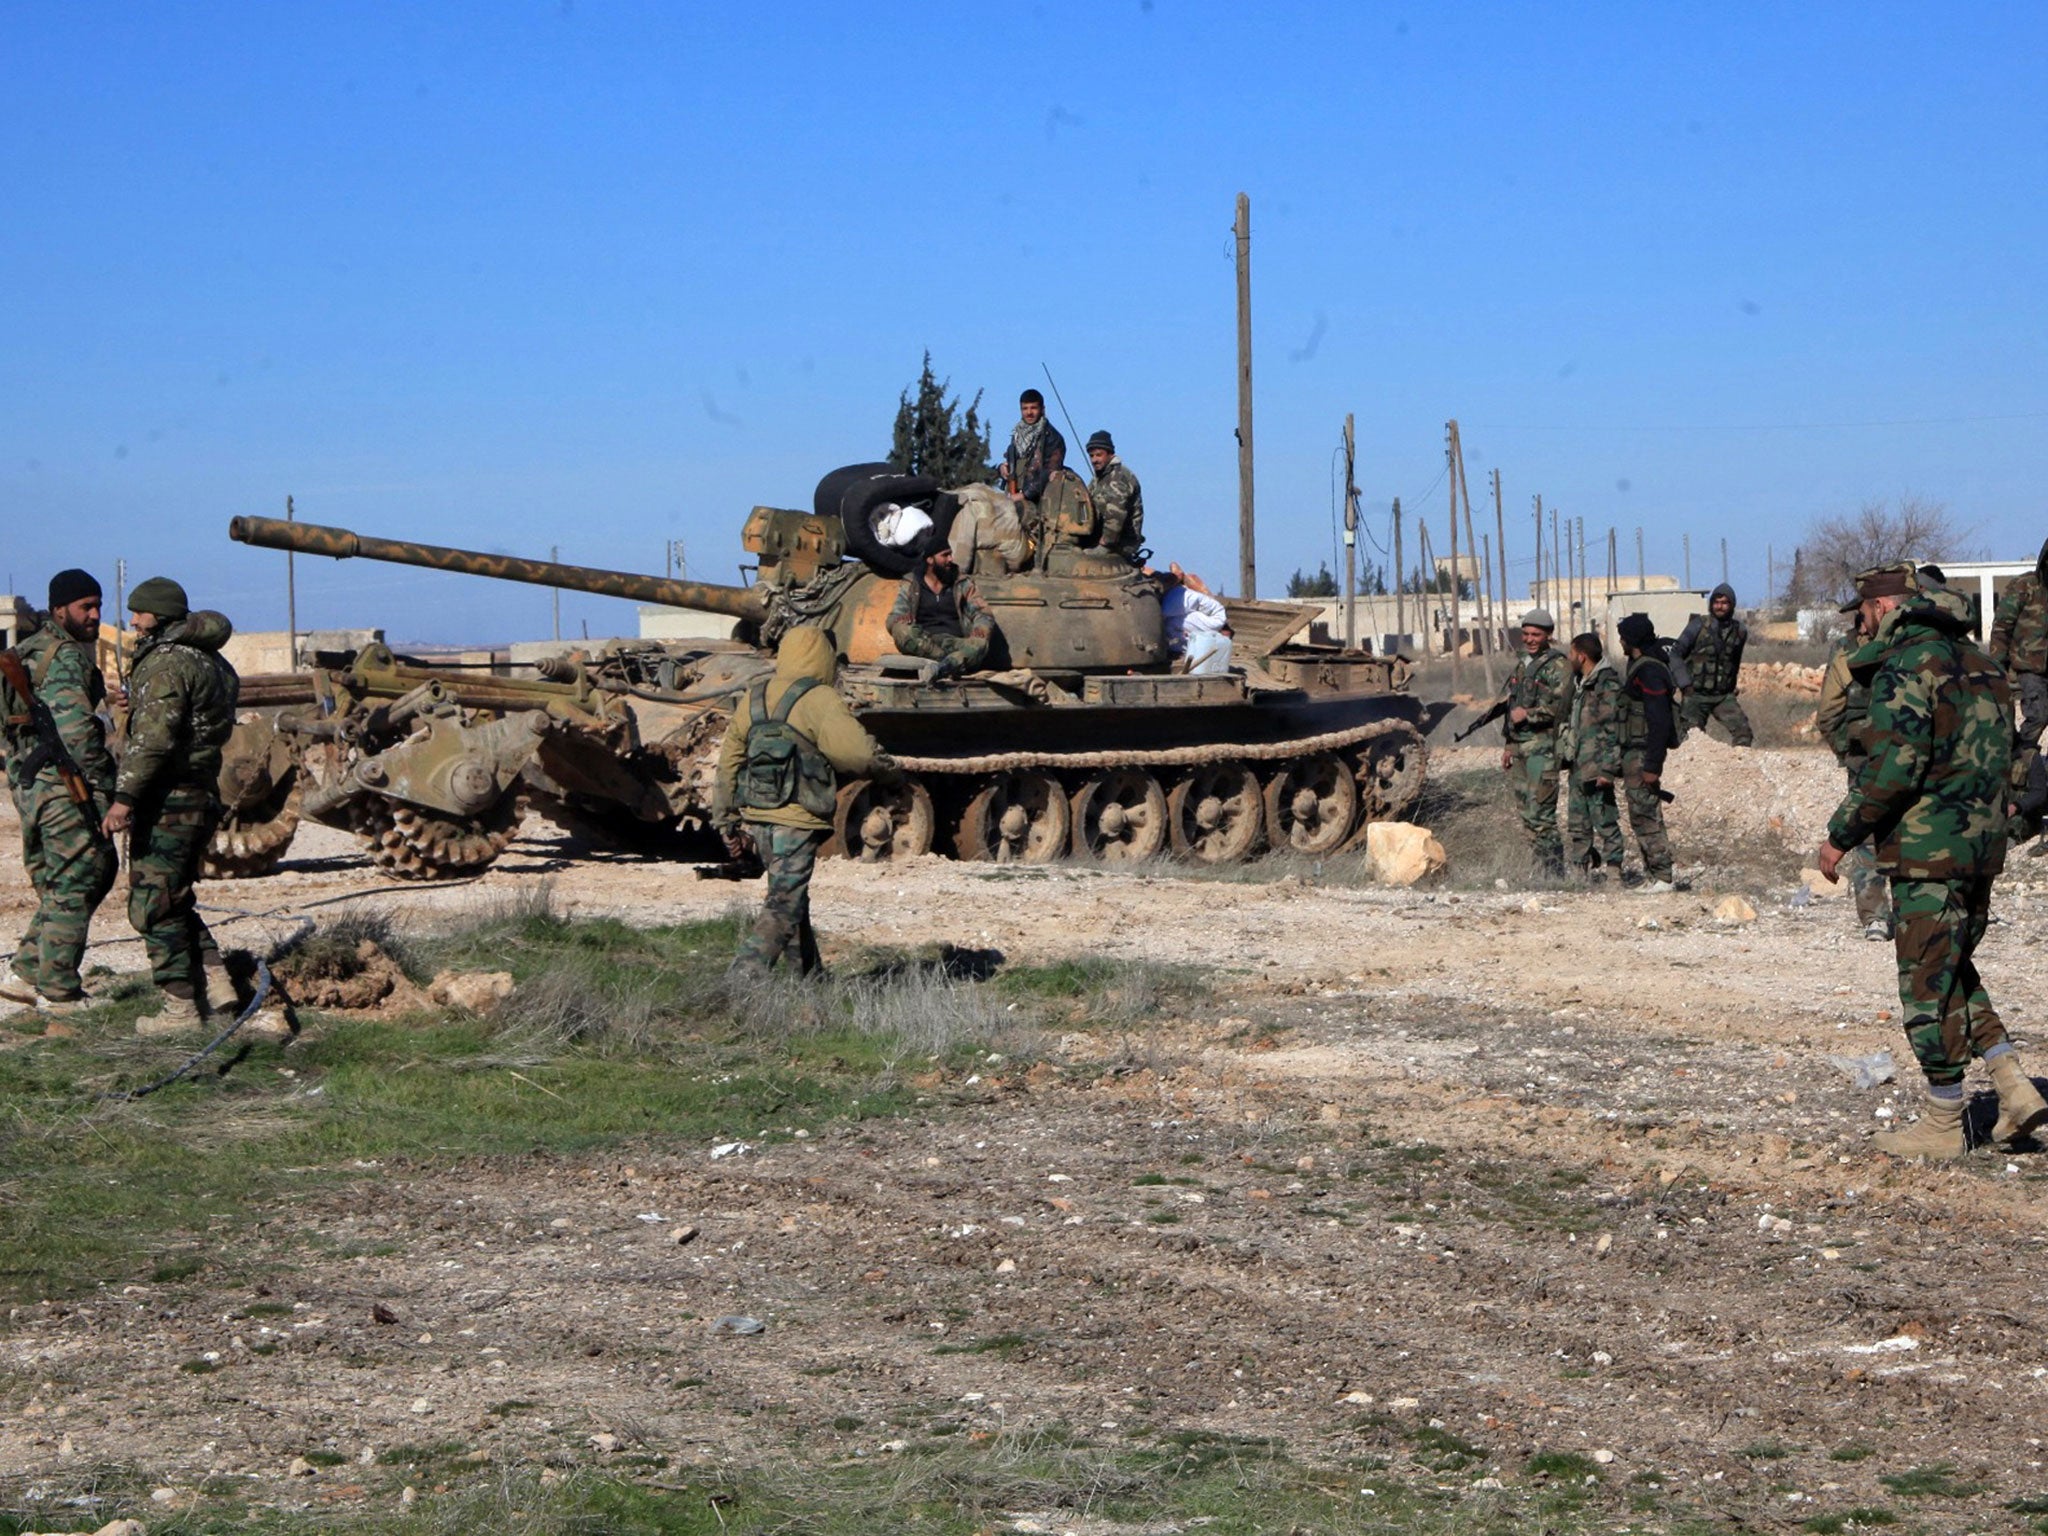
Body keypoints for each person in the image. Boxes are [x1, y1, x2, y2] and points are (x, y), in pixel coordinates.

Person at [1819, 562, 2046, 1158]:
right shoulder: (1985, 665)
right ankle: (2013, 1087)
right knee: (1950, 968)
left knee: (1924, 985)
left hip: (1925, 853)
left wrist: (1841, 834)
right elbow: (2010, 759)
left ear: (1887, 607)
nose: (1862, 622)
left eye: (1865, 611)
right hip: (1979, 848)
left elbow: (1895, 768)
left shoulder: (1906, 666)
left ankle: (1944, 1121)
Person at [712, 627, 902, 978]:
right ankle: (741, 981)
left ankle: (810, 978)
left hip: (759, 818)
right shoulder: (819, 699)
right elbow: (856, 754)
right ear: (824, 659)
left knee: (792, 897)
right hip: (797, 820)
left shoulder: (754, 696)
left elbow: (728, 765)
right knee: (784, 904)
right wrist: (889, 771)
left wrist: (726, 822)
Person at [102, 577, 240, 1037]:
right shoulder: (208, 659)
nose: (132, 620)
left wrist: (124, 799)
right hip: (199, 791)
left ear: (157, 616)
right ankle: (218, 983)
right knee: (174, 895)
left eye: (138, 613)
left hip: (170, 798)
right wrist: (133, 705)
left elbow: (155, 740)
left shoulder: (166, 663)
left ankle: (179, 1011)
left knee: (152, 905)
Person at [0, 569, 119, 1012]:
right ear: (58, 610)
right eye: (85, 607)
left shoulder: (31, 651)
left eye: (98, 605)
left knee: (63, 880)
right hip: (62, 783)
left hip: (31, 784)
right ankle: (60, 990)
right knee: (83, 875)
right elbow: (76, 733)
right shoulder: (65, 656)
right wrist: (107, 788)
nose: (94, 614)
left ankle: (29, 970)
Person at [1815, 593, 1891, 940]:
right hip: (1871, 755)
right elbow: (1830, 713)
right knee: (1866, 834)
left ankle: (1880, 917)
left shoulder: (1898, 644)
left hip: (1880, 753)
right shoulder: (1849, 651)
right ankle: (1876, 914)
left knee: (1870, 830)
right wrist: (1848, 752)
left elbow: (1829, 713)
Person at [1500, 608, 1573, 877]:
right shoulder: (1523, 664)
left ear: (1548, 636)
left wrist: (1528, 715)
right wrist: (1509, 745)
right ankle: (1539, 868)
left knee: (1542, 815)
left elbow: (1560, 707)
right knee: (1527, 814)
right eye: (1526, 634)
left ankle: (1555, 873)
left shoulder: (1559, 666)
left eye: (1536, 634)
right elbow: (1512, 705)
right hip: (1520, 747)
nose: (1530, 639)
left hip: (1543, 749)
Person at [1615, 613, 1680, 891]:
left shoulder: (1650, 671)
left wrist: (1653, 764)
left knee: (1646, 814)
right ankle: (1654, 875)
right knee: (1639, 814)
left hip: (1644, 754)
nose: (1620, 642)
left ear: (1631, 640)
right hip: (1635, 751)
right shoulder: (1639, 665)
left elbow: (1659, 719)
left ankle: (1663, 877)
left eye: (1623, 637)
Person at [1562, 631, 1624, 881]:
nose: (1569, 657)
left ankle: (1614, 873)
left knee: (1606, 821)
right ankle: (1579, 872)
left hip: (1597, 766)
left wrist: (1608, 769)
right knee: (1578, 823)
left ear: (1582, 655)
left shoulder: (1606, 684)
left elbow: (1614, 730)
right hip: (1578, 765)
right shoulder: (1580, 682)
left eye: (1571, 653)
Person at [885, 543, 995, 679]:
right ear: (930, 560)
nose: (950, 559)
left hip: (956, 644)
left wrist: (981, 628)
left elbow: (983, 612)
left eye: (950, 554)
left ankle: (941, 668)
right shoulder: (912, 584)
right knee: (901, 630)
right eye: (945, 555)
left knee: (980, 644)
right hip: (924, 643)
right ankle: (947, 662)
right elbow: (894, 616)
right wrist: (900, 619)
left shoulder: (962, 583)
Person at [1669, 583, 1753, 746]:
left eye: (1724, 603)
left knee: (1743, 733)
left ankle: (1739, 768)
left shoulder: (1739, 631)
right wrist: (1685, 684)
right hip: (1696, 695)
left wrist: (1731, 686)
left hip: (1722, 696)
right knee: (1689, 740)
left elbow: (1734, 661)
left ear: (1732, 605)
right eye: (1716, 602)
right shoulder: (1698, 625)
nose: (1720, 606)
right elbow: (1676, 654)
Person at [1989, 535, 2048, 751]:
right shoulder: (2025, 586)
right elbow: (2002, 626)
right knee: (2039, 715)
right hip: (2028, 668)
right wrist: (1996, 667)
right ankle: (2021, 755)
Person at [1157, 564, 1232, 674]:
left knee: (1170, 625)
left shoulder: (1175, 597)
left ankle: (1181, 651)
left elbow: (1160, 617)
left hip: (1214, 620)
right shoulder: (1177, 594)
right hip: (1210, 619)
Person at [1083, 431, 1145, 564]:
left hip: (1120, 544)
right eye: (1091, 455)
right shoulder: (1099, 479)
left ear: (1110, 454)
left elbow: (1116, 513)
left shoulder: (1119, 477)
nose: (1094, 460)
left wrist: (1106, 543)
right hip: (1100, 538)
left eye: (1099, 455)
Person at [1000, 389, 1066, 507]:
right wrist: (1002, 469)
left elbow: (1050, 471)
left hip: (1041, 502)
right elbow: (1015, 463)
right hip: (1013, 496)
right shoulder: (1017, 435)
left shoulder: (1052, 437)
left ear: (1042, 409)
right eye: (1025, 408)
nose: (1029, 412)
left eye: (1033, 408)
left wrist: (1025, 495)